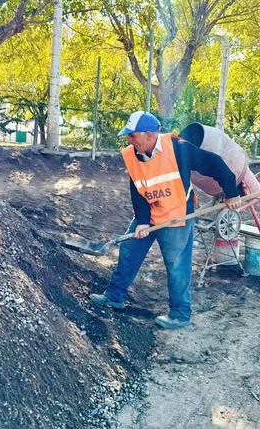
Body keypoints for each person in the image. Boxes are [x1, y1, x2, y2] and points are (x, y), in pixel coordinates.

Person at [90, 111, 243, 329]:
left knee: (177, 264)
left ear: (150, 135)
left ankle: (180, 314)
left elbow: (214, 163)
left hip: (177, 215)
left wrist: (231, 193)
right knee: (129, 250)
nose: (129, 140)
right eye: (129, 135)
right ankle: (114, 297)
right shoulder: (131, 155)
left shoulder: (178, 148)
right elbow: (137, 189)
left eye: (133, 135)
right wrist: (142, 221)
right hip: (150, 212)